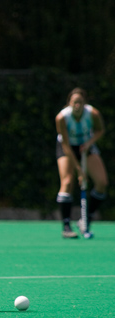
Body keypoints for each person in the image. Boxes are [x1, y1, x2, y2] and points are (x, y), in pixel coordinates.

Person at [55, 87, 108, 239]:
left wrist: (89, 143)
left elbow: (100, 130)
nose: (77, 105)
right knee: (67, 181)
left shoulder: (93, 114)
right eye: (74, 102)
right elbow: (65, 145)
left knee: (102, 182)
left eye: (80, 102)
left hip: (86, 146)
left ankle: (86, 219)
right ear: (69, 103)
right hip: (67, 147)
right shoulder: (62, 118)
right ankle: (66, 226)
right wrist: (80, 171)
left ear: (85, 103)